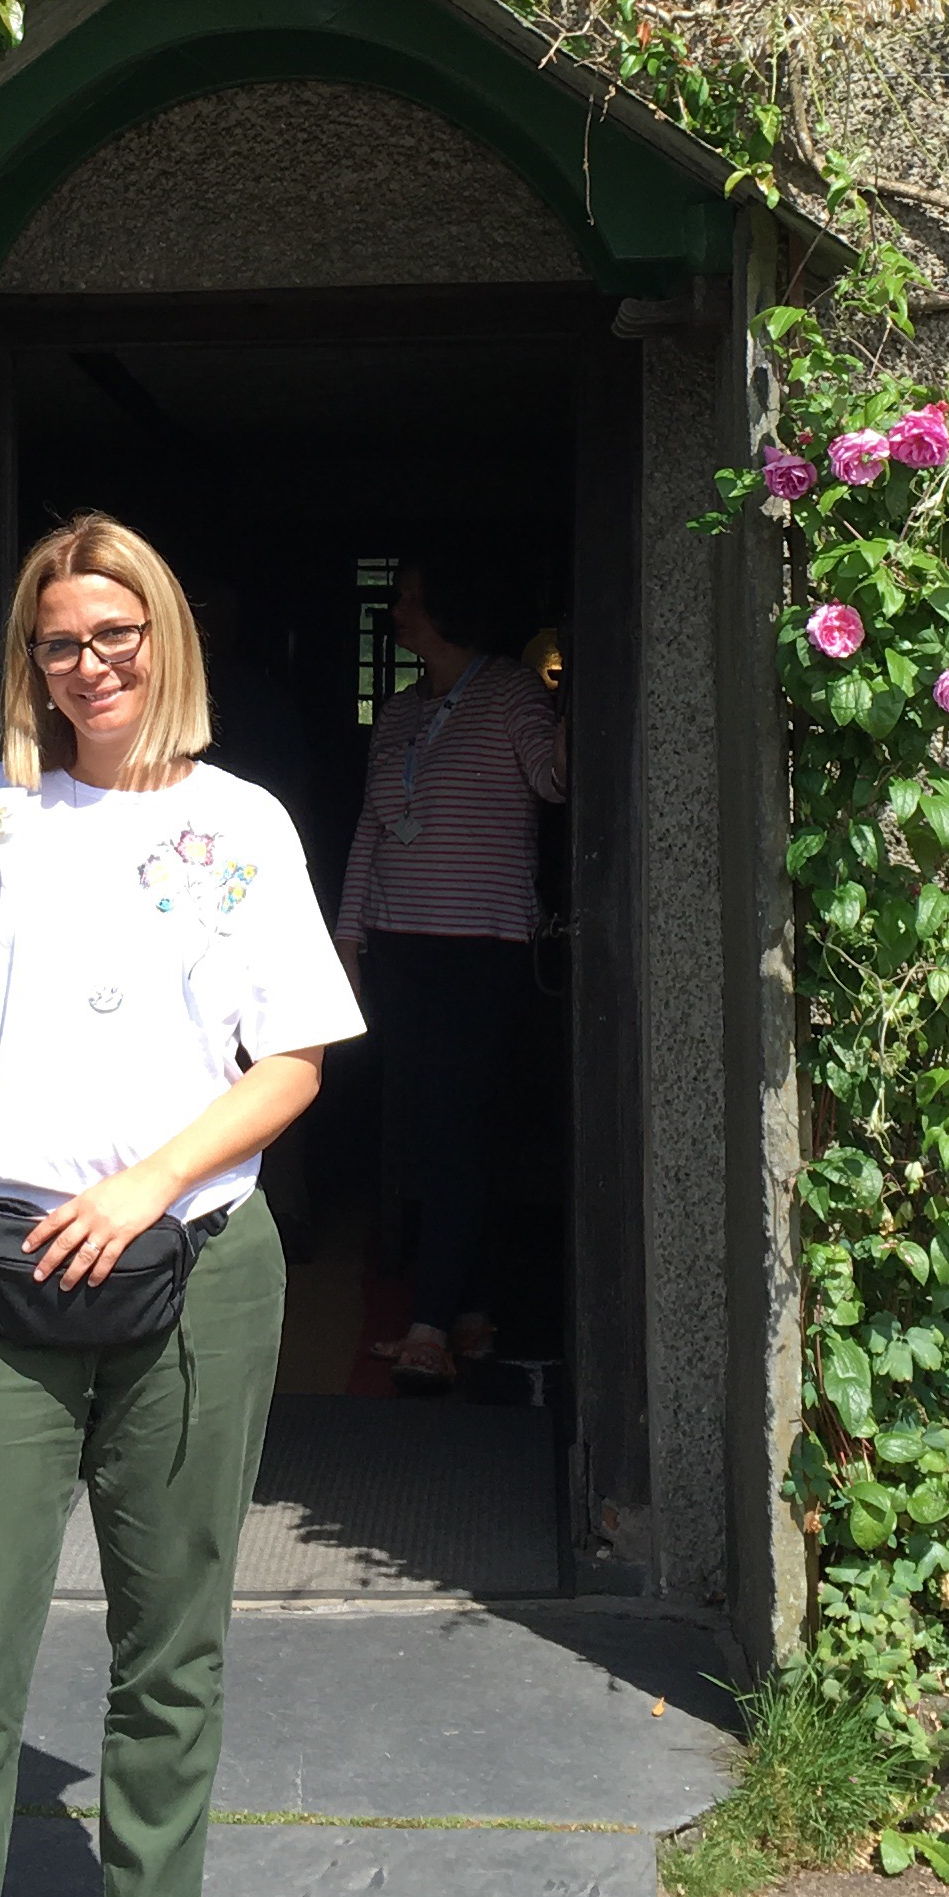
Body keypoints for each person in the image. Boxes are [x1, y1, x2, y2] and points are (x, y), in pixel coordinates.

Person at [0, 511, 365, 1897]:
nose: (87, 664)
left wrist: (148, 1184)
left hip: (193, 1267)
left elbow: (291, 1060)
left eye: (113, 633)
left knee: (171, 1634)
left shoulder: (241, 823)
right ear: (31, 658)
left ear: (164, 638)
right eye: (58, 640)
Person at [333, 539, 566, 1395]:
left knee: (458, 1131)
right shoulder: (399, 711)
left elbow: (555, 784)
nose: (397, 612)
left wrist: (581, 691)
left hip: (482, 947)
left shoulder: (510, 692)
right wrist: (348, 942)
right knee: (429, 1132)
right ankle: (467, 1311)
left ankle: (430, 1324)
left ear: (449, 608)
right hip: (399, 945)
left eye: (410, 598)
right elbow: (370, 828)